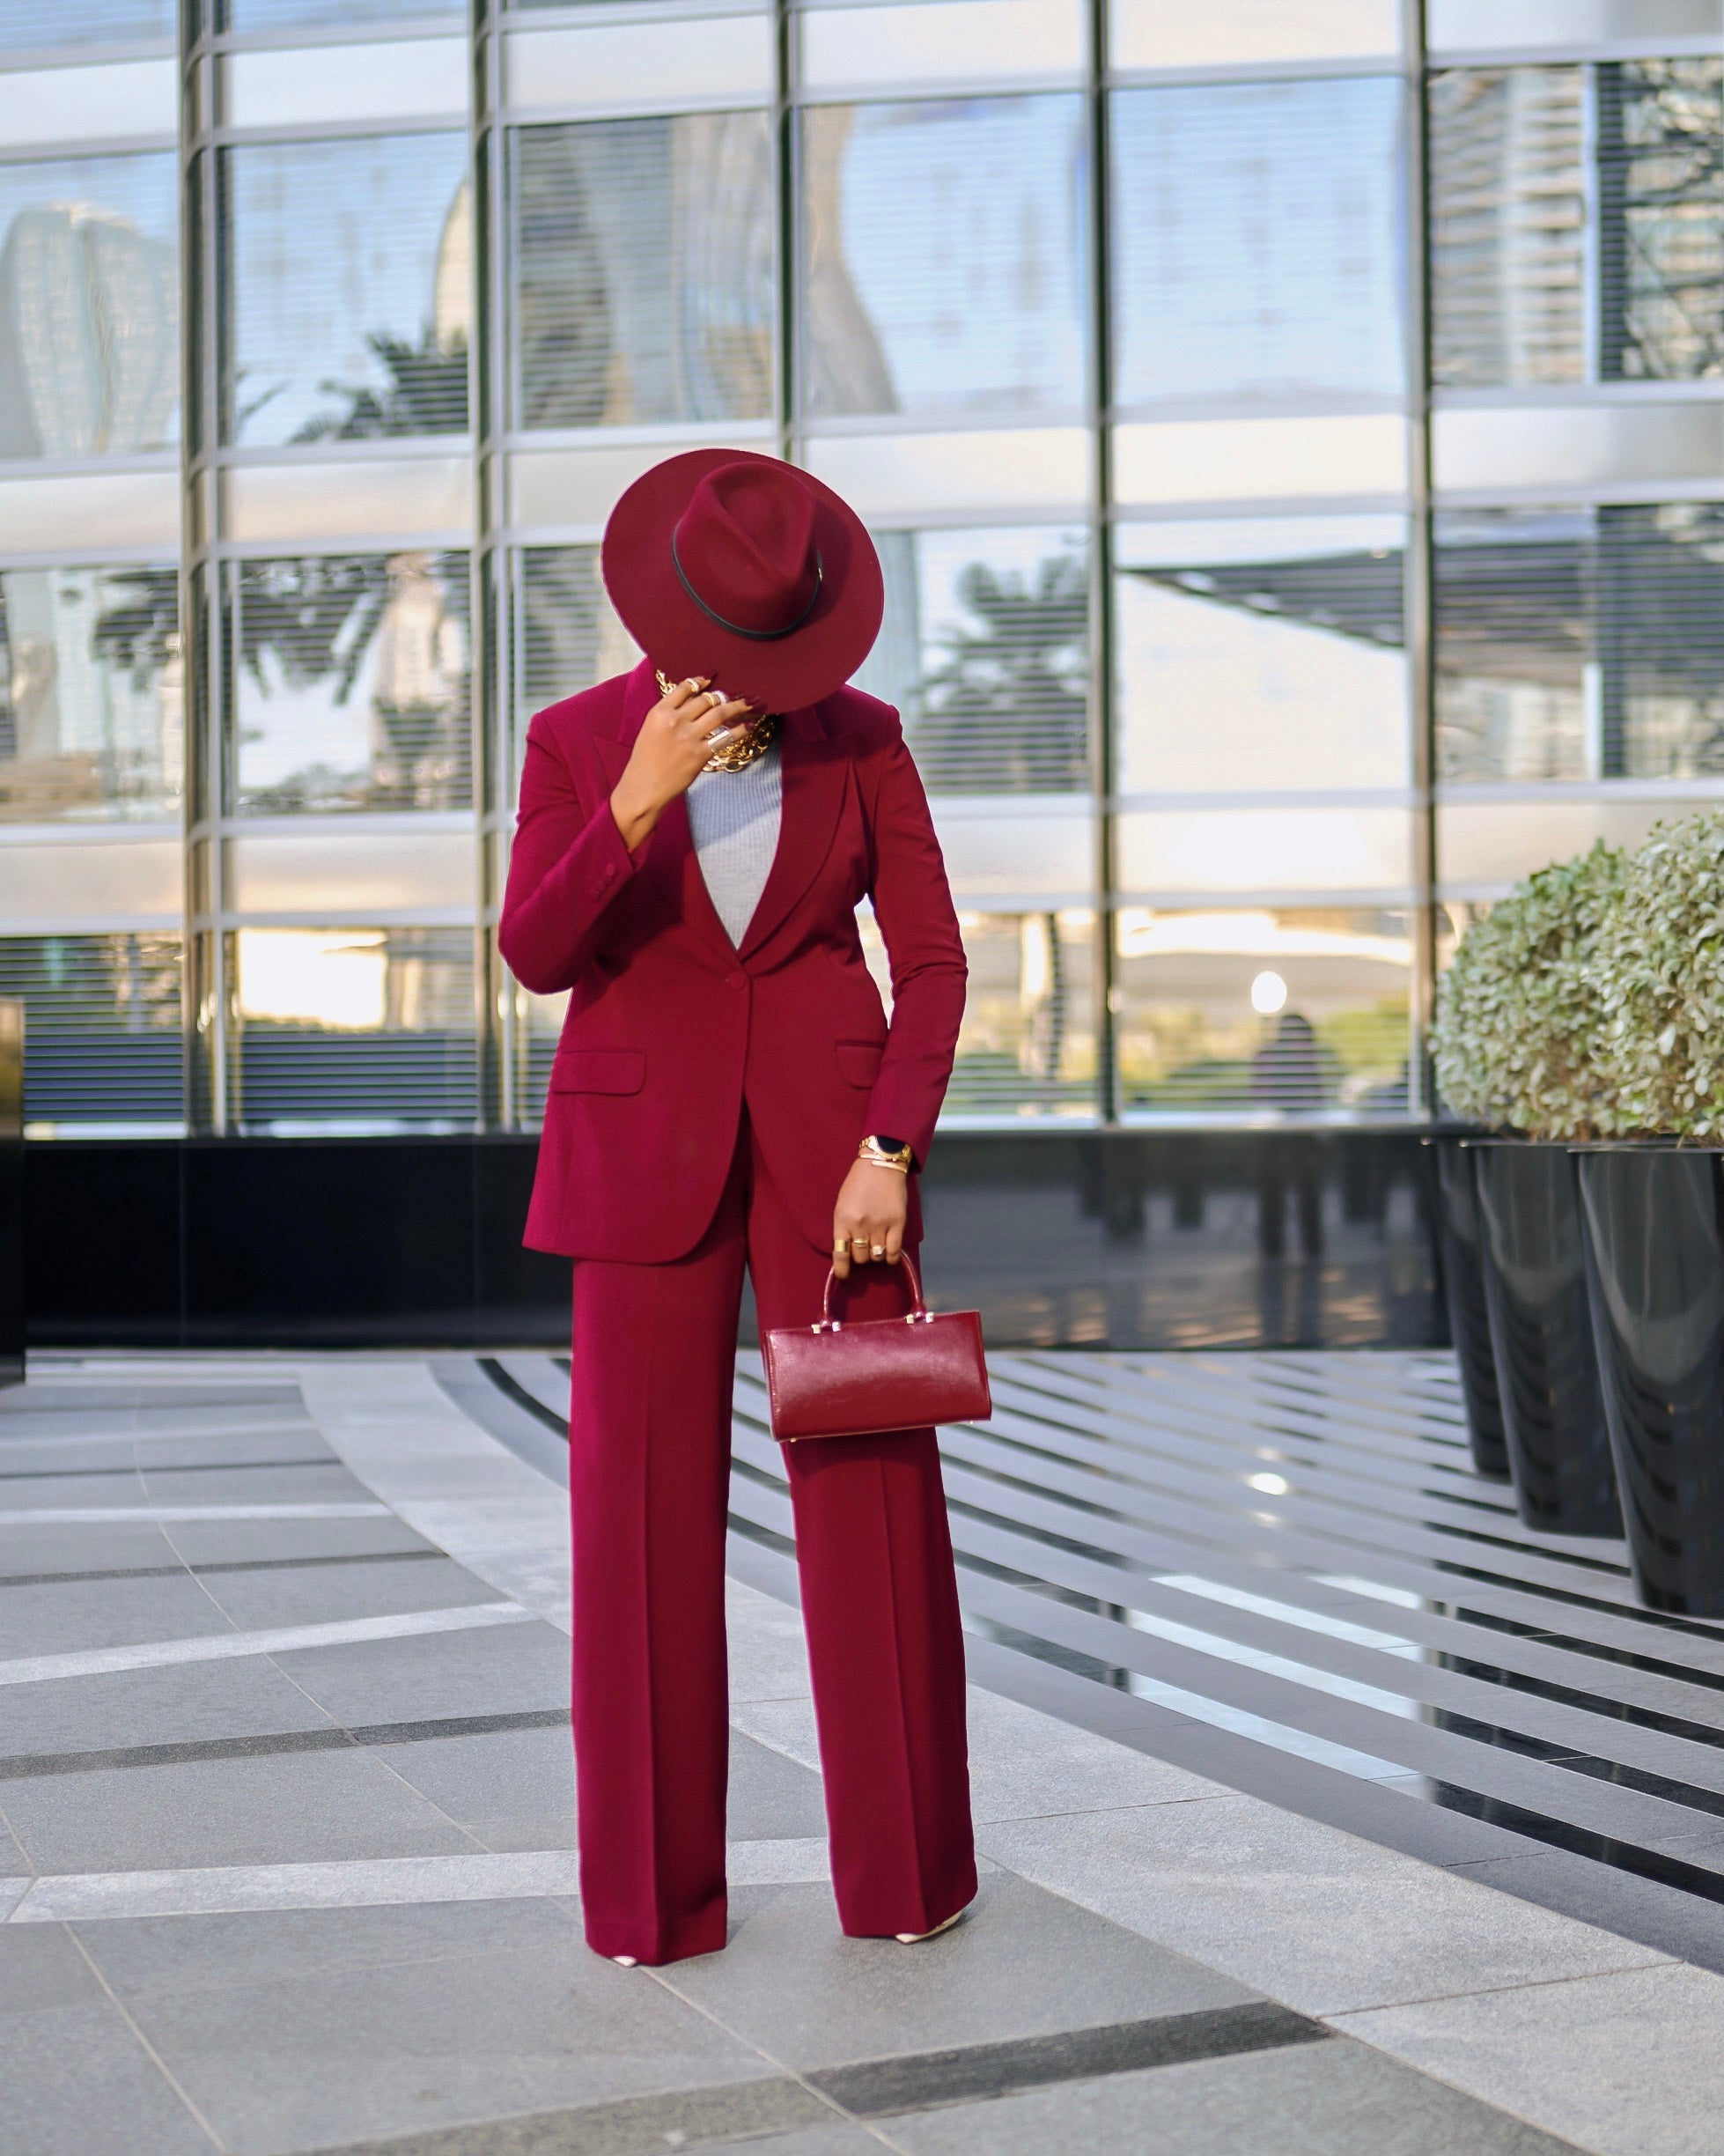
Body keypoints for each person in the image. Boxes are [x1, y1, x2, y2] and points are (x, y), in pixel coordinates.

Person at [498, 449, 976, 1968]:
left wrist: (888, 1151)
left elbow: (935, 962)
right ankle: (651, 1904)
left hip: (839, 1178)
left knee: (877, 1510)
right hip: (640, 1170)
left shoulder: (863, 741)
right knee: (633, 1538)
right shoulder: (576, 740)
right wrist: (638, 798)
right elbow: (535, 951)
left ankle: (908, 1880)